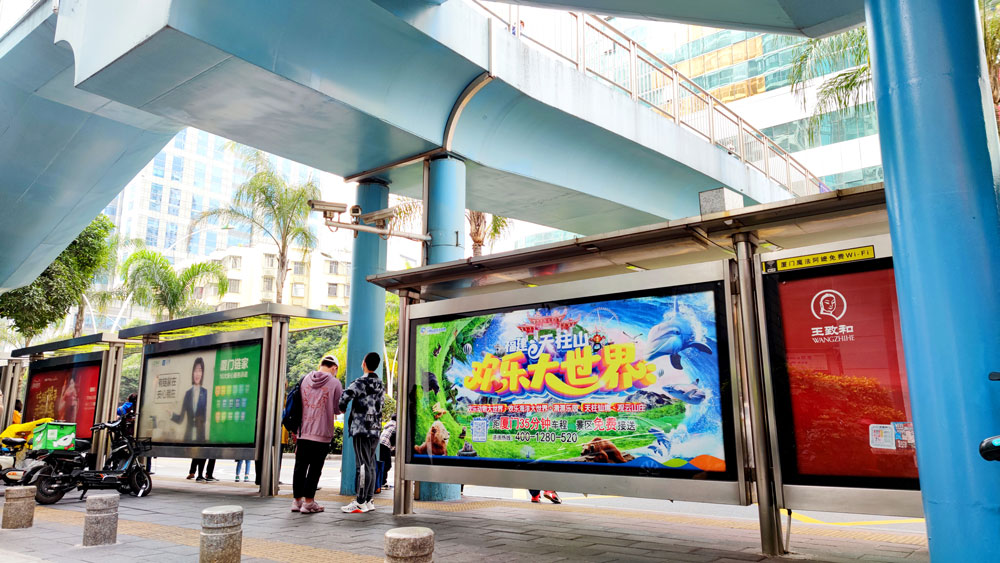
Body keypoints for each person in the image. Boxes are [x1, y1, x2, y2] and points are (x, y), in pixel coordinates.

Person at [291, 354, 343, 514]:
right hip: (322, 433)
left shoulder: (305, 379)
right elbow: (338, 409)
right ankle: (308, 503)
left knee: (300, 467)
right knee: (315, 468)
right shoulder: (335, 383)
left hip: (303, 431)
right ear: (334, 368)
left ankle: (297, 501)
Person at [339, 352, 384, 514]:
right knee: (370, 463)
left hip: (361, 428)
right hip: (375, 428)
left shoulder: (360, 382)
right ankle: (369, 500)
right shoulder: (380, 384)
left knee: (362, 466)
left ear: (364, 363)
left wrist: (342, 407)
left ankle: (360, 501)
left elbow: (345, 395)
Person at [172, 358, 208, 442]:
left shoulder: (205, 392)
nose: (197, 374)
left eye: (200, 370)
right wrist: (171, 415)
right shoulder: (187, 393)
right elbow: (180, 419)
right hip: (188, 438)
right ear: (192, 373)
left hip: (200, 439)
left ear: (202, 373)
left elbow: (206, 418)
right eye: (195, 370)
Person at [376, 414, 396, 493]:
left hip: (380, 444)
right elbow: (393, 437)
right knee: (387, 465)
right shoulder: (396, 426)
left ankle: (381, 482)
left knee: (382, 464)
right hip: (385, 445)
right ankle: (382, 482)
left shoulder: (389, 424)